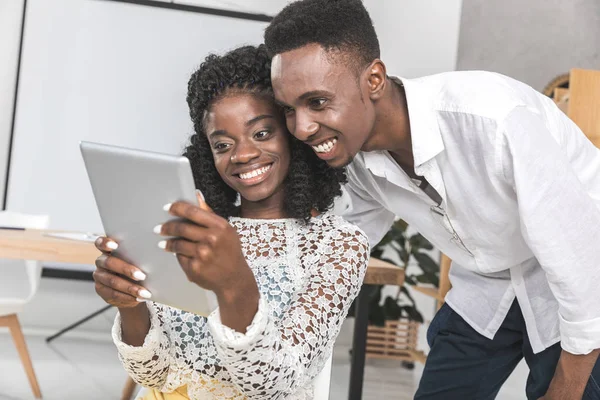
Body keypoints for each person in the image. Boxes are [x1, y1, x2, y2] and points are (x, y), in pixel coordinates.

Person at [263, 0, 600, 399]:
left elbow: (583, 272)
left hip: (581, 280)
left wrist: (567, 389)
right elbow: (348, 242)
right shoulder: (355, 161)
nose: (302, 128)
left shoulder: (495, 121)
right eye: (289, 109)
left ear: (373, 80)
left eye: (317, 102)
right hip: (489, 281)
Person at [92, 45, 369, 400]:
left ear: (293, 136)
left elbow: (273, 384)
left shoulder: (338, 245)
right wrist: (131, 306)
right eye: (222, 144)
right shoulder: (194, 229)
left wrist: (235, 280)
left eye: (262, 133)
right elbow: (152, 373)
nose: (242, 154)